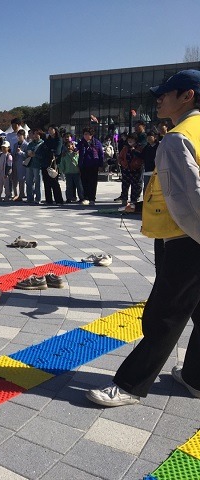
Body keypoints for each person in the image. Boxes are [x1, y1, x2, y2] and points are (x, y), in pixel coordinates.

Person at [87, 69, 200, 407]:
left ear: (187, 96)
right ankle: (195, 378)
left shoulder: (180, 137)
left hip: (186, 239)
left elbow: (190, 202)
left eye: (165, 93)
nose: (159, 99)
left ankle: (130, 385)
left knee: (164, 314)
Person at [76, 127, 104, 205]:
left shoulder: (97, 143)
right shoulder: (81, 143)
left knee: (93, 183)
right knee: (84, 182)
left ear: (91, 135)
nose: (85, 136)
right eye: (84, 134)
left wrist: (101, 165)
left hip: (93, 165)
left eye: (87, 134)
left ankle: (92, 198)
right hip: (83, 165)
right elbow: (76, 149)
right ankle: (86, 197)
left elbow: (101, 154)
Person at [116, 133, 144, 212]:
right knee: (125, 184)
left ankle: (134, 200)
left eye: (132, 140)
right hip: (126, 169)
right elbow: (120, 157)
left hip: (136, 169)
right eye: (129, 140)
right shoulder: (125, 148)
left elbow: (142, 158)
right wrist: (122, 163)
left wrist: (137, 163)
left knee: (136, 185)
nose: (130, 141)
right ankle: (124, 198)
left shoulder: (139, 148)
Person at [42, 125, 64, 205]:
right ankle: (49, 200)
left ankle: (59, 200)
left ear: (55, 130)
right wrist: (50, 150)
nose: (50, 131)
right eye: (49, 129)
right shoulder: (47, 139)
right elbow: (44, 149)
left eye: (51, 129)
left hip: (54, 163)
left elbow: (57, 152)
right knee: (46, 183)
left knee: (54, 182)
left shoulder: (59, 139)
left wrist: (50, 151)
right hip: (45, 163)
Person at [25, 129, 45, 204]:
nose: (35, 136)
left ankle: (38, 198)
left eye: (37, 134)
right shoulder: (30, 144)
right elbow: (26, 152)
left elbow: (43, 155)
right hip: (29, 164)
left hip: (37, 165)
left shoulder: (42, 144)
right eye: (34, 134)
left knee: (38, 182)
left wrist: (35, 155)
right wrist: (28, 153)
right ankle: (29, 198)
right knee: (29, 182)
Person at [11, 129, 28, 201]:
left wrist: (21, 152)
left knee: (21, 180)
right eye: (17, 136)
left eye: (20, 136)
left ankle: (21, 194)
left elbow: (27, 155)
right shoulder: (15, 144)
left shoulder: (26, 144)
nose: (18, 137)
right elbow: (13, 153)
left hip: (22, 164)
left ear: (23, 136)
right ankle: (15, 194)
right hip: (15, 163)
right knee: (14, 180)